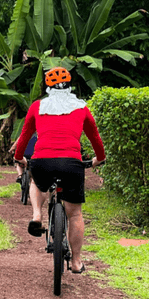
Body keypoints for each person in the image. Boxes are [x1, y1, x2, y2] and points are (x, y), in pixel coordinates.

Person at [14, 67, 105, 274]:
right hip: (72, 163)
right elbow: (95, 137)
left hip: (42, 161)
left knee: (37, 182)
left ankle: (37, 215)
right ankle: (76, 261)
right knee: (75, 214)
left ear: (47, 87)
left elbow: (25, 134)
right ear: (70, 86)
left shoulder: (38, 106)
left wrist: (19, 157)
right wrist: (100, 158)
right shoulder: (81, 107)